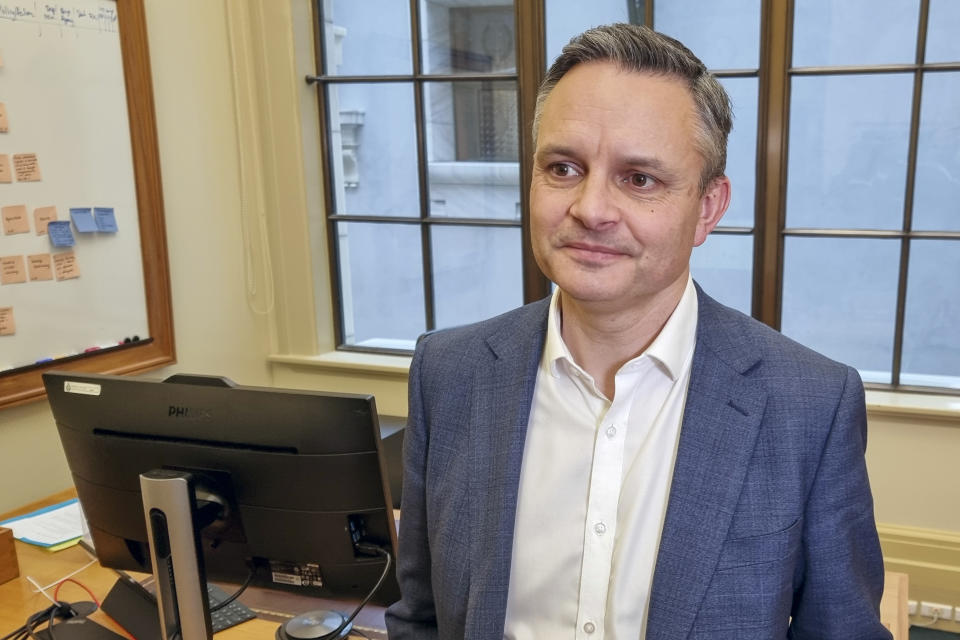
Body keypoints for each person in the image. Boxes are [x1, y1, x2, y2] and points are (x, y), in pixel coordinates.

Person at [385, 23, 890, 640]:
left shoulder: (809, 405)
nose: (591, 209)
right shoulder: (449, 372)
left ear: (708, 207)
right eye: (564, 167)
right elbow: (422, 618)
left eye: (639, 179)